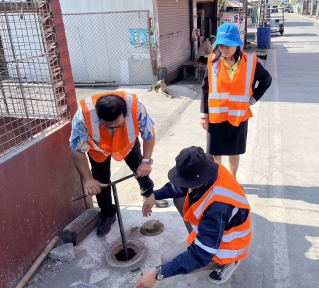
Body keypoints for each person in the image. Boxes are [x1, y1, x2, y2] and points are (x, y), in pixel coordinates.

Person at [136, 146, 252, 287]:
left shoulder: (217, 208)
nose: (184, 183)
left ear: (199, 179)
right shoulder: (209, 169)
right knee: (180, 199)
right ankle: (202, 238)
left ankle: (228, 263)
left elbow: (201, 255)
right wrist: (155, 195)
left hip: (228, 246)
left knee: (167, 260)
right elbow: (180, 186)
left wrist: (158, 273)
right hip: (217, 229)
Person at [69, 91, 161, 237]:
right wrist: (88, 179)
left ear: (125, 114)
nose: (113, 130)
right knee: (100, 180)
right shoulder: (83, 116)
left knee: (140, 168)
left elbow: (149, 134)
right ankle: (107, 213)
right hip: (99, 149)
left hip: (128, 144)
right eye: (107, 126)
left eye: (118, 125)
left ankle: (149, 193)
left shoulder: (137, 109)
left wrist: (146, 161)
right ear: (99, 118)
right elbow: (76, 149)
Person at [200, 23, 272, 178]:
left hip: (238, 116)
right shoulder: (213, 62)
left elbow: (266, 80)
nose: (224, 49)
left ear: (237, 45)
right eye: (220, 45)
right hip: (216, 117)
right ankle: (218, 180)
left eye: (228, 46)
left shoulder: (251, 62)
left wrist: (252, 100)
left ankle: (232, 181)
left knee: (234, 151)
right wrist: (203, 114)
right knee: (215, 151)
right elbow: (206, 89)